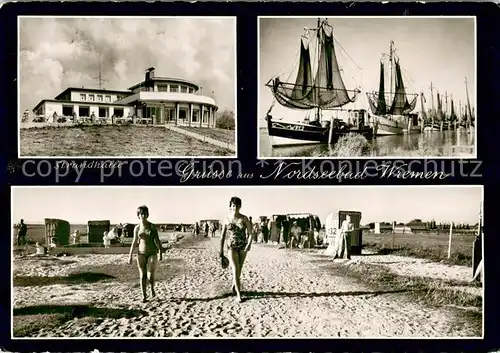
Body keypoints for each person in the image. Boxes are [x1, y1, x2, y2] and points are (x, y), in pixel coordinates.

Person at [220, 196, 253, 303]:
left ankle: (234, 286)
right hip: (231, 247)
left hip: (243, 246)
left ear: (240, 206)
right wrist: (221, 251)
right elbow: (222, 236)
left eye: (237, 206)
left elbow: (251, 233)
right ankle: (239, 295)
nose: (235, 208)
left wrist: (249, 245)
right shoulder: (226, 219)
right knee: (235, 270)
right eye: (233, 205)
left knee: (239, 270)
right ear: (230, 206)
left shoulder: (244, 218)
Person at [128, 205, 163, 303]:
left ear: (148, 215)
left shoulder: (152, 226)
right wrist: (130, 255)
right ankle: (144, 296)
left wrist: (160, 252)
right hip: (141, 253)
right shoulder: (137, 228)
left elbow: (157, 240)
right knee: (142, 275)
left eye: (145, 214)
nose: (143, 216)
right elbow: (134, 242)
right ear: (138, 215)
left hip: (152, 252)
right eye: (141, 214)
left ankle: (152, 288)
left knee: (150, 275)